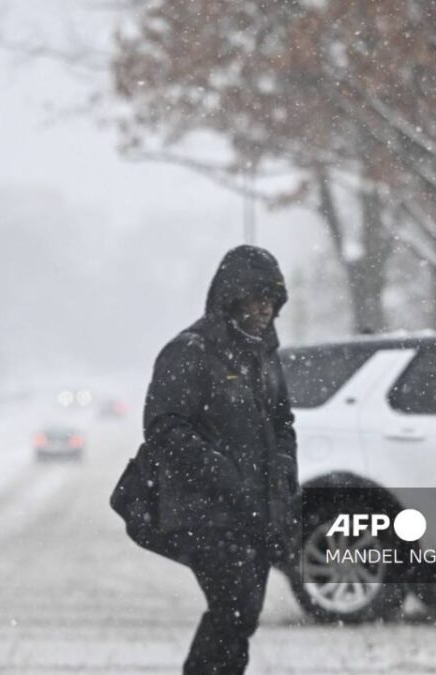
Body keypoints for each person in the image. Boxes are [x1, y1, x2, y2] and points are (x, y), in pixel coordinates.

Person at [143, 245, 299, 675]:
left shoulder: (264, 355)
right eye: (257, 297)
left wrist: (284, 472)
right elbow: (163, 428)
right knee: (233, 609)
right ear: (232, 297)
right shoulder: (189, 351)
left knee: (241, 618)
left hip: (256, 510)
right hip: (207, 512)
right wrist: (220, 472)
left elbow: (283, 421)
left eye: (273, 298)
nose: (267, 307)